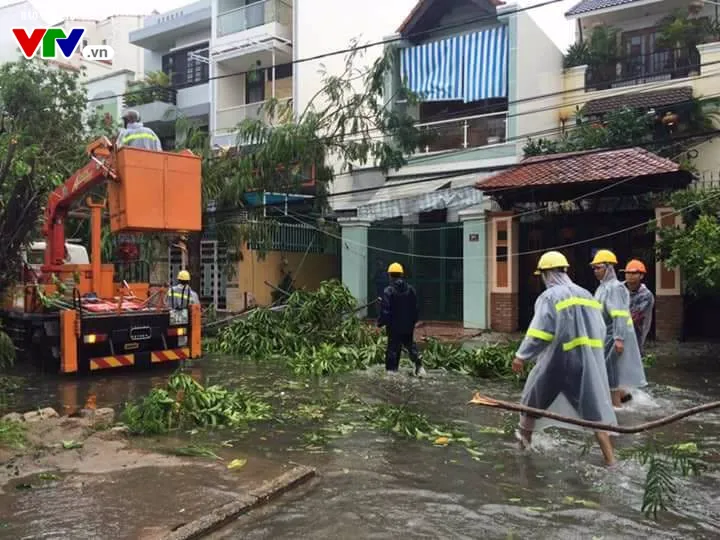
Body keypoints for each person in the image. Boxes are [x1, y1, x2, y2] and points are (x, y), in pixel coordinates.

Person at [511, 251, 617, 466]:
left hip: (557, 361)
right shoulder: (586, 294)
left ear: (547, 273)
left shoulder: (549, 297)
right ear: (565, 270)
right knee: (593, 410)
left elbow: (541, 331)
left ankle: (522, 451)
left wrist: (521, 356)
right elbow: (600, 328)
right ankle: (611, 461)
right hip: (585, 363)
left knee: (530, 403)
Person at [591, 249, 647, 408]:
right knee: (607, 370)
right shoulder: (602, 287)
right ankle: (624, 396)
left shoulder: (614, 288)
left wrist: (619, 338)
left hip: (613, 336)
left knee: (610, 372)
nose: (595, 271)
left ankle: (617, 409)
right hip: (605, 336)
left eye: (598, 267)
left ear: (608, 267)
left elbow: (619, 315)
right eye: (594, 268)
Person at [377, 262, 426, 377]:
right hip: (408, 326)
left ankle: (392, 374)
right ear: (401, 275)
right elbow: (416, 308)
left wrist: (380, 323)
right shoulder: (411, 289)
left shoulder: (388, 291)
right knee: (410, 345)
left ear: (390, 276)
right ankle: (418, 364)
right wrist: (413, 322)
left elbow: (386, 311)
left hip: (394, 327)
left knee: (393, 350)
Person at [623, 259, 655, 356]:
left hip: (636, 335)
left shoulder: (646, 295)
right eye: (628, 273)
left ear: (641, 276)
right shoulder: (619, 289)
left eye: (634, 273)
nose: (630, 276)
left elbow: (634, 318)